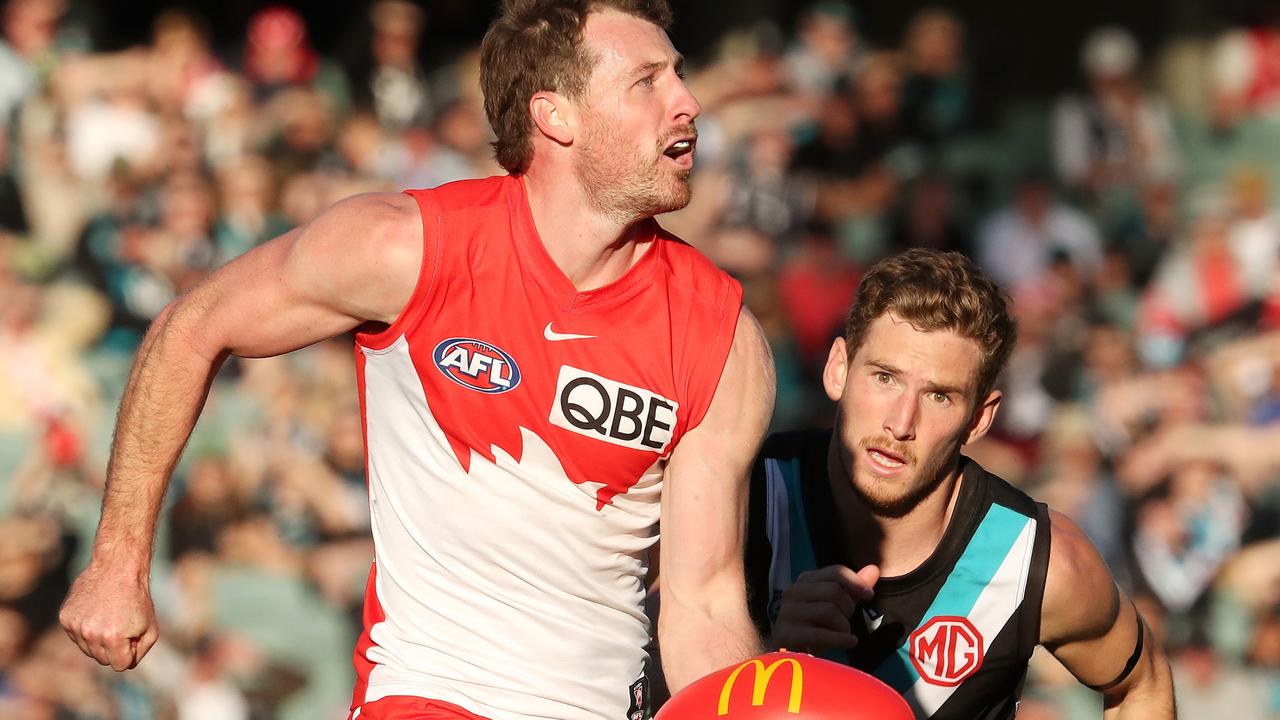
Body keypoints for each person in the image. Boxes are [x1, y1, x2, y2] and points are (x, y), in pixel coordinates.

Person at [58, 2, 775, 719]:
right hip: (428, 693)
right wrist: (118, 563)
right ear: (556, 116)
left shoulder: (722, 335)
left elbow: (702, 605)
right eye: (648, 82)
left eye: (679, 75)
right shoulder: (404, 247)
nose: (689, 102)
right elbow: (190, 327)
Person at [744, 249, 1174, 718]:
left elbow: (1142, 686)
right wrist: (763, 660)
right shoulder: (747, 496)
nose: (900, 423)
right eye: (885, 377)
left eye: (939, 396)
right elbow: (655, 670)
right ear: (838, 369)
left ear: (979, 419)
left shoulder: (1036, 562)